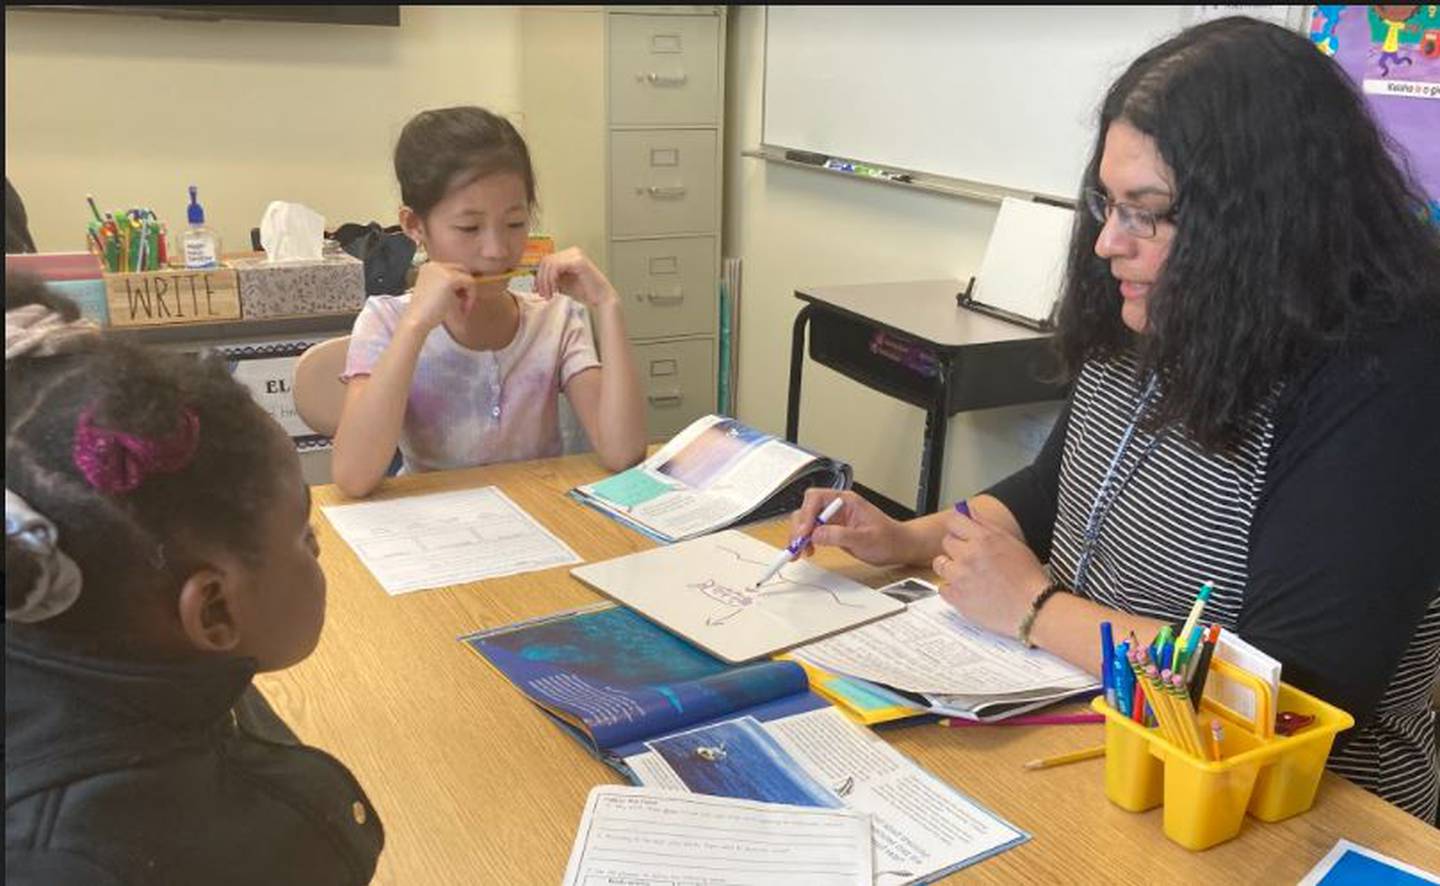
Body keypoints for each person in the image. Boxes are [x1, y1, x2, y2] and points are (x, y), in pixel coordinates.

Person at [791, 17, 1440, 820]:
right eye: (1108, 203)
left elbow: (1295, 689)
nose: (1107, 243)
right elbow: (1052, 487)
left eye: (1148, 211)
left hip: (1295, 806)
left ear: (1263, 223)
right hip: (1100, 730)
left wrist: (1034, 610)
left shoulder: (1383, 375)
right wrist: (908, 538)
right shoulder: (1158, 309)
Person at [5, 276, 384, 883]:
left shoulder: (109, 657)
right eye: (302, 535)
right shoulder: (82, 859)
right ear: (213, 612)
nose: (317, 549)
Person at [331, 106, 646, 497]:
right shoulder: (386, 321)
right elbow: (353, 477)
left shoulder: (555, 317)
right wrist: (414, 328)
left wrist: (609, 306)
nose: (497, 250)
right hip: (433, 534)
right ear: (415, 226)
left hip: (544, 520)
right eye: (469, 227)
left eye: (515, 224)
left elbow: (623, 452)